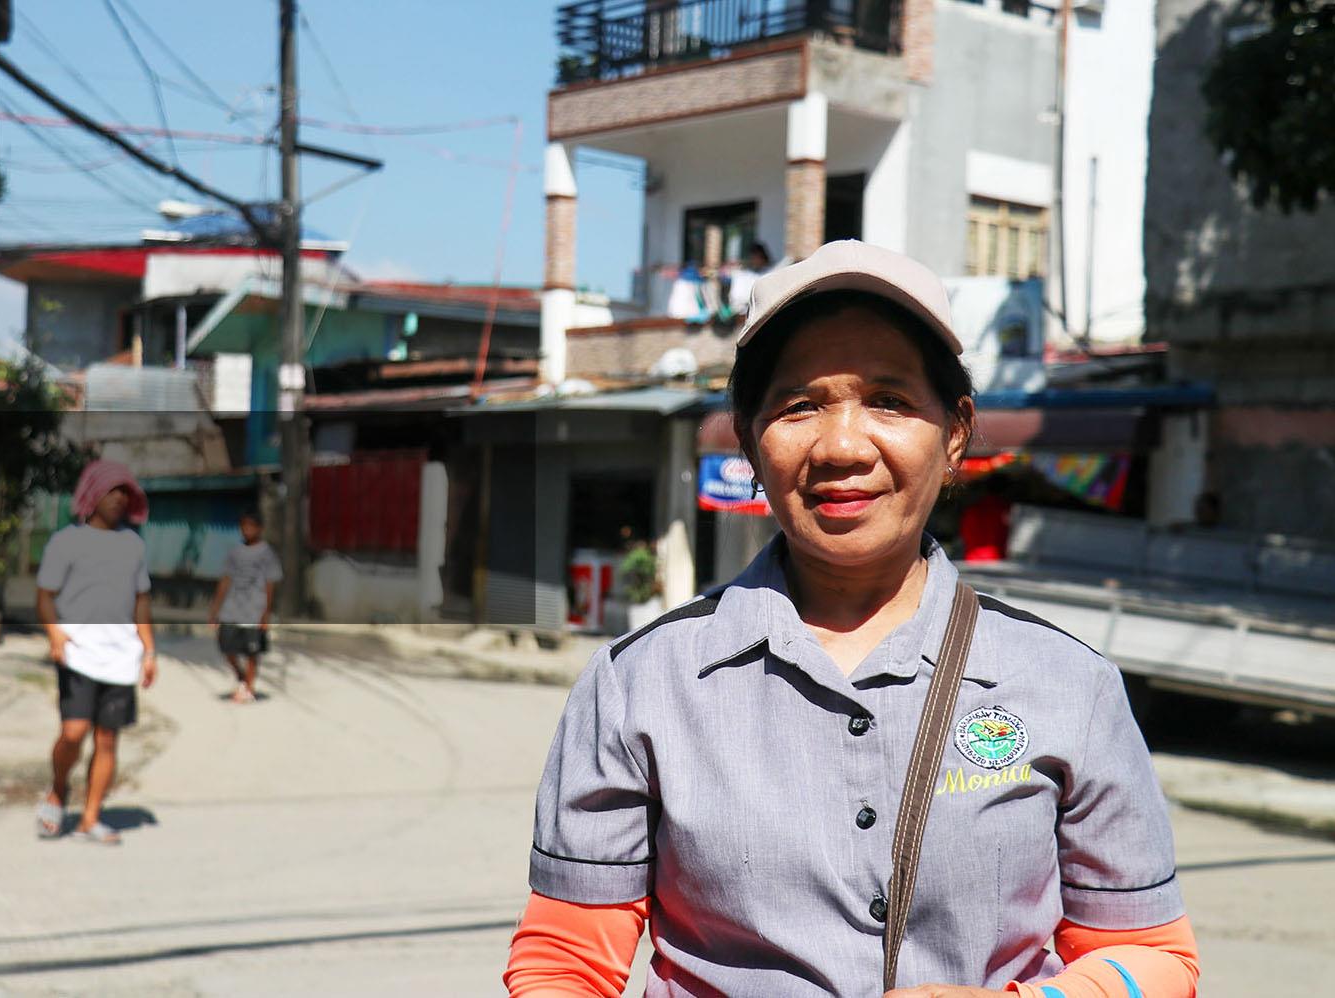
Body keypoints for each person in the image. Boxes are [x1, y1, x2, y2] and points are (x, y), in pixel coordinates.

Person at [506, 241, 1199, 997]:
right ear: (749, 442)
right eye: (799, 406)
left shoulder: (1069, 684)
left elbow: (1154, 958)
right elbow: (564, 966)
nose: (841, 447)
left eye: (889, 401)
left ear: (956, 433)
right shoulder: (638, 683)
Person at [34, 460, 156, 846]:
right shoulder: (65, 542)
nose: (119, 498)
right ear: (92, 494)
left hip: (121, 657)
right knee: (74, 731)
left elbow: (141, 601)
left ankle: (90, 818)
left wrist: (149, 650)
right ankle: (58, 788)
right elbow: (45, 596)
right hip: (78, 652)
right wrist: (55, 635)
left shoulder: (134, 545)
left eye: (125, 492)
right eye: (111, 490)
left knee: (107, 740)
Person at [208, 509, 282, 704]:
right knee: (226, 646)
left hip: (254, 609)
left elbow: (270, 583)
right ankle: (241, 676)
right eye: (244, 526)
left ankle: (249, 687)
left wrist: (266, 613)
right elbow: (225, 579)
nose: (247, 530)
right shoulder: (235, 552)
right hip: (232, 608)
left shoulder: (267, 553)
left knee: (252, 651)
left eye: (251, 526)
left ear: (259, 528)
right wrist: (215, 608)